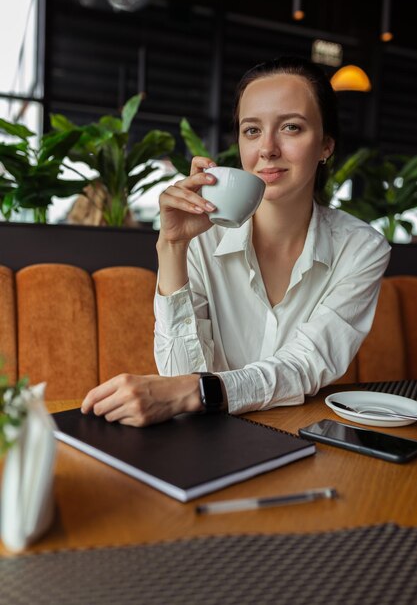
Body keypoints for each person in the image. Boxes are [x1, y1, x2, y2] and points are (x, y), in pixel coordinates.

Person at [81, 55, 391, 427]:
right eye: (252, 130)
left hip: (303, 440)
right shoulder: (200, 235)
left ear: (325, 145)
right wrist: (172, 247)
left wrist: (196, 393)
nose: (267, 149)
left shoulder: (361, 249)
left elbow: (304, 366)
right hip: (204, 444)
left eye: (291, 127)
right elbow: (180, 373)